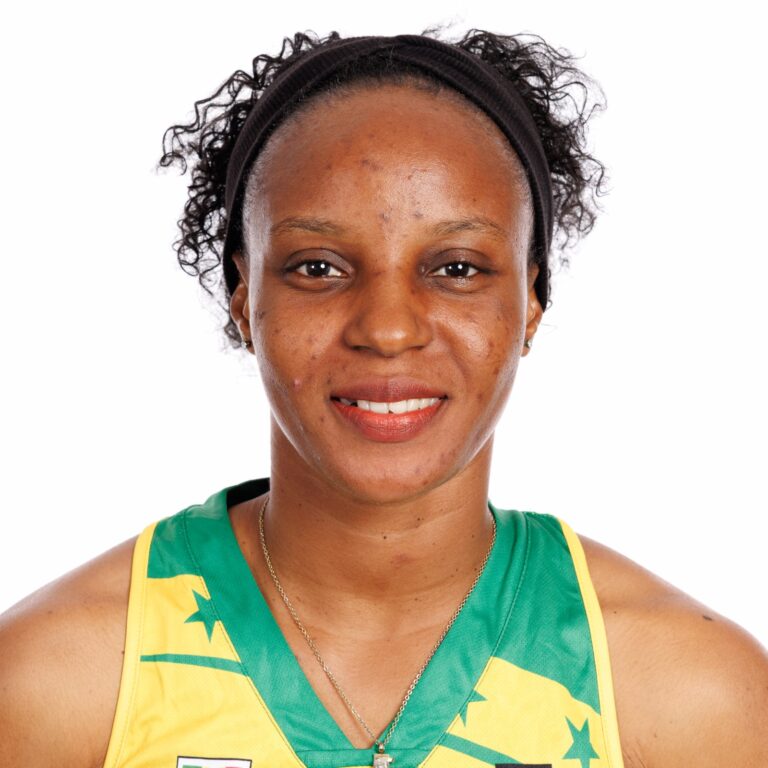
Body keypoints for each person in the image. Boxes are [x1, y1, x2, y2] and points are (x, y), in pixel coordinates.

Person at [1, 28, 766, 768]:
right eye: (318, 267)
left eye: (458, 268)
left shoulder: (691, 696)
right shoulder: (56, 681)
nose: (389, 329)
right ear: (242, 298)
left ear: (531, 301)